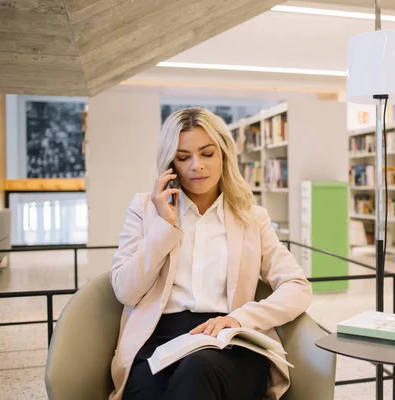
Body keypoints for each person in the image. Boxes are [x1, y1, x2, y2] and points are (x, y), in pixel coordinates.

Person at [108, 108, 312, 400]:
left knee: (198, 371)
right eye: (183, 157)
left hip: (228, 343)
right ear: (170, 164)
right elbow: (126, 292)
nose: (196, 166)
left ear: (224, 155)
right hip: (158, 341)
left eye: (207, 154)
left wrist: (242, 318)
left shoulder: (251, 217)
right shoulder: (145, 210)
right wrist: (164, 228)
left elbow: (297, 287)